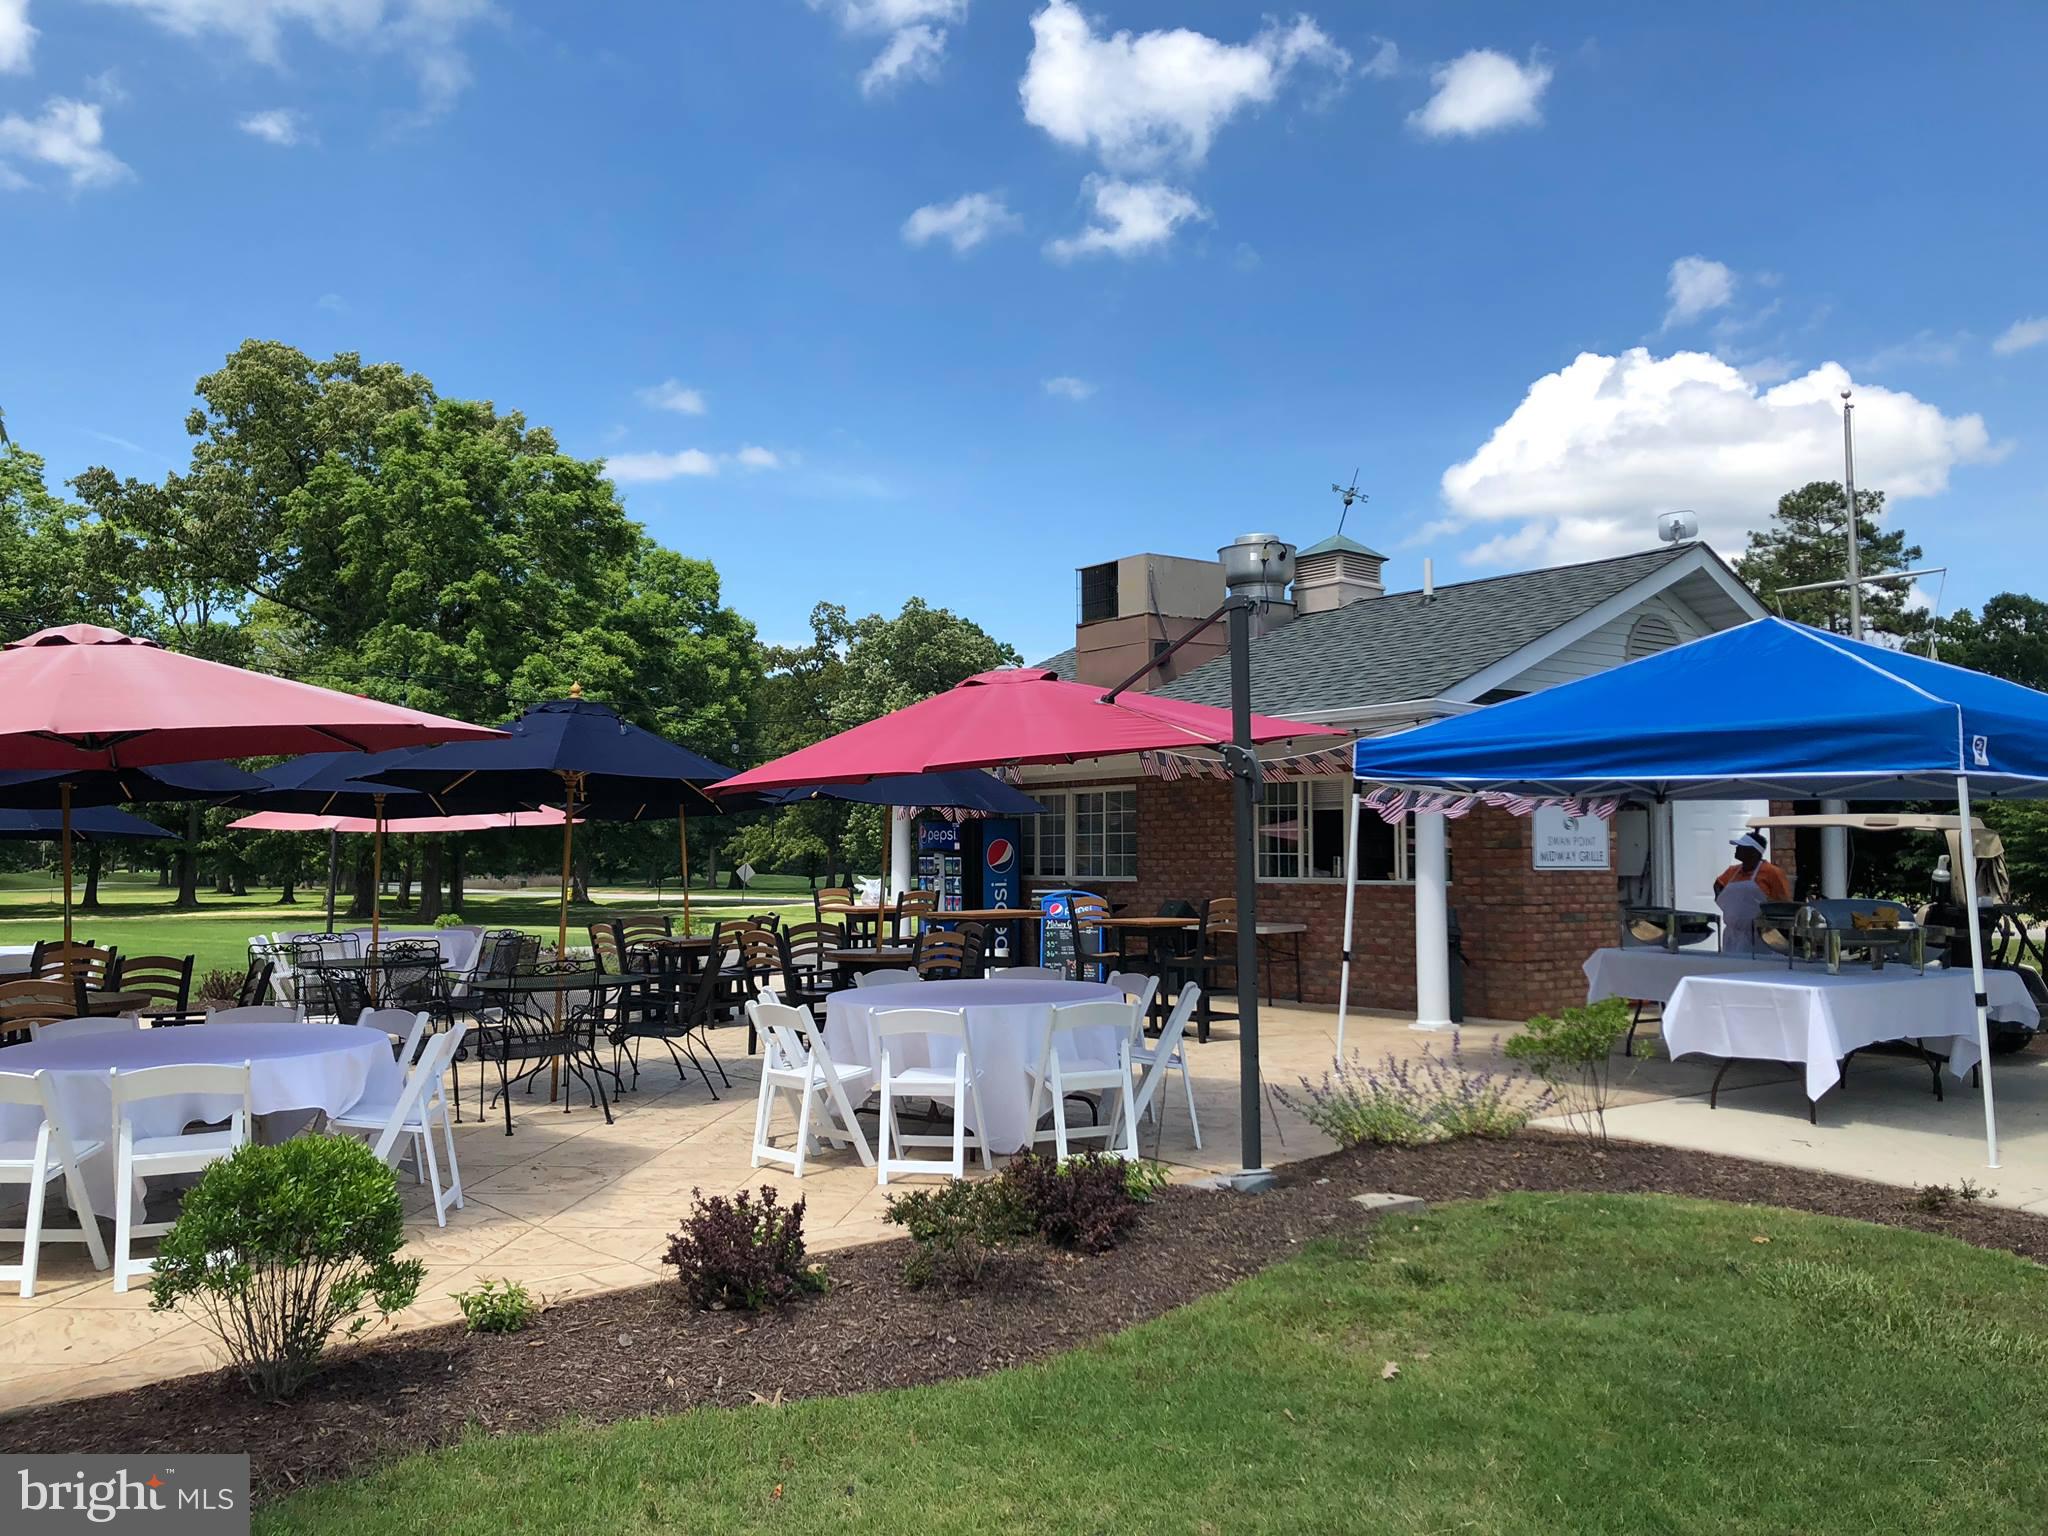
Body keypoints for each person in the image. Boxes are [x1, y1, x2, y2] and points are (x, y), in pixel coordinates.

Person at [1714, 832, 1791, 955]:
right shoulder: (1732, 871)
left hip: (1761, 937)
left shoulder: (1772, 873)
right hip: (1732, 935)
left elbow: (1784, 904)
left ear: (1754, 852)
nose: (1737, 849)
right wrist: (1725, 904)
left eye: (1741, 847)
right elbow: (1718, 884)